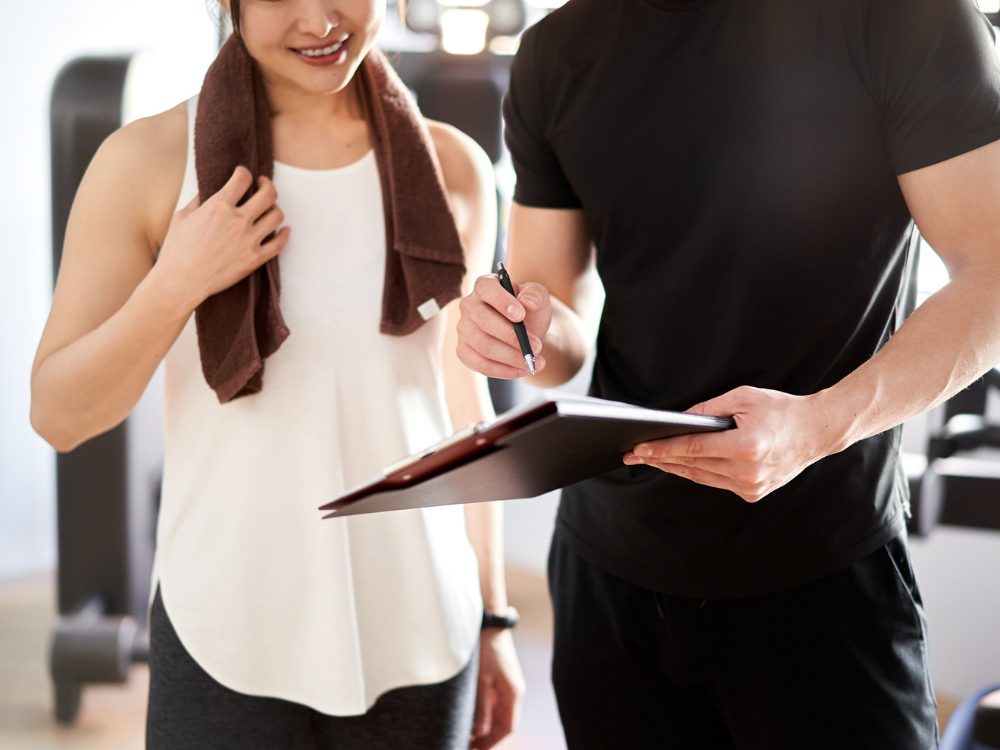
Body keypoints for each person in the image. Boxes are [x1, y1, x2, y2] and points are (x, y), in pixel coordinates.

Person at [456, 0, 1000, 747]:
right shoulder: (559, 48)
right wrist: (517, 335)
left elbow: (992, 279)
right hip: (610, 577)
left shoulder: (906, 19)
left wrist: (817, 426)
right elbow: (556, 321)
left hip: (821, 576)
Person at [30, 1, 524, 748]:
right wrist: (177, 283)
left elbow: (465, 413)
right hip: (226, 635)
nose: (318, 20)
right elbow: (58, 414)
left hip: (424, 631)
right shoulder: (151, 161)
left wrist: (494, 617)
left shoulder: (454, 167)